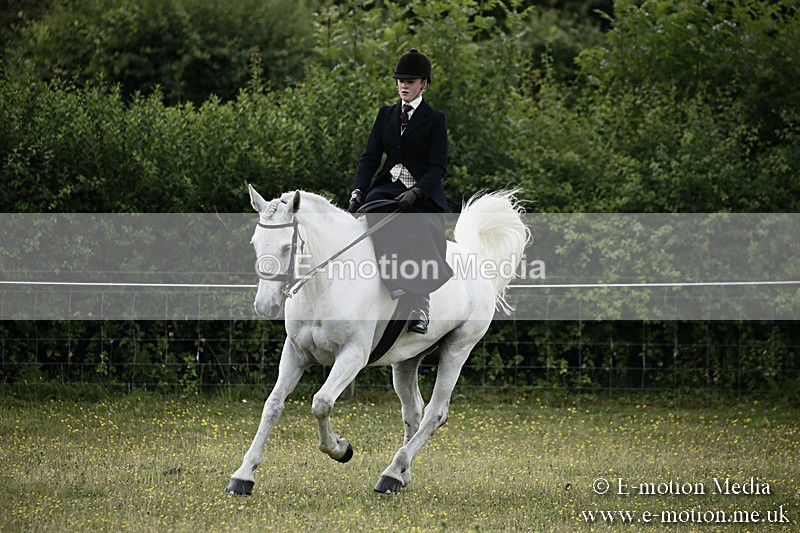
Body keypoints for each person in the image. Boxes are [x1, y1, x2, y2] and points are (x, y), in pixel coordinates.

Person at [348, 48, 452, 335]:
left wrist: (418, 192)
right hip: (388, 186)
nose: (403, 86)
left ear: (424, 84)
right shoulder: (386, 115)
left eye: (410, 81)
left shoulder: (435, 119)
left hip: (422, 192)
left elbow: (438, 166)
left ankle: (420, 302)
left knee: (416, 226)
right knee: (371, 211)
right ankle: (389, 281)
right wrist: (357, 190)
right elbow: (370, 158)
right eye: (400, 81)